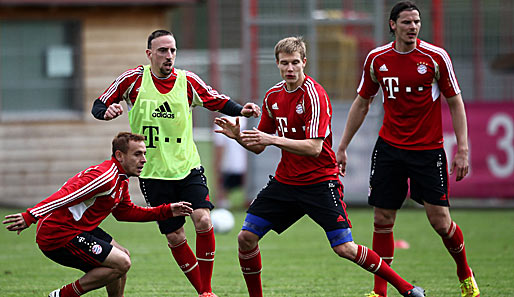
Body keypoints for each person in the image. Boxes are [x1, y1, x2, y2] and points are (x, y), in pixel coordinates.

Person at [214, 36, 425, 297]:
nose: (289, 68)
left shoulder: (315, 95)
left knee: (344, 248)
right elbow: (259, 146)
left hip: (320, 182)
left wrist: (271, 138)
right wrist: (238, 138)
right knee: (246, 238)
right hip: (285, 183)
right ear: (277, 65)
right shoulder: (273, 96)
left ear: (304, 62)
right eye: (284, 63)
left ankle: (406, 288)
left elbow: (314, 148)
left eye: (294, 63)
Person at [91, 29, 261, 297]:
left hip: (187, 168)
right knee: (175, 237)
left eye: (172, 50)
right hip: (153, 173)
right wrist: (106, 112)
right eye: (162, 51)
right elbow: (100, 103)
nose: (168, 56)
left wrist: (241, 109)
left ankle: (206, 292)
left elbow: (215, 99)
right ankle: (203, 291)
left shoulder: (187, 81)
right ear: (149, 54)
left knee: (203, 220)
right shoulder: (133, 80)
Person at [335, 2, 480, 297]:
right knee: (382, 218)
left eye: (416, 22)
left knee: (440, 221)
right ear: (393, 25)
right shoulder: (377, 59)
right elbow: (363, 102)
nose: (413, 27)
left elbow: (455, 101)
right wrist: (343, 146)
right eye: (406, 22)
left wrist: (463, 148)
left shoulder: (436, 58)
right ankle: (379, 291)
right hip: (389, 148)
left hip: (428, 151)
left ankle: (465, 274)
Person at [2, 132, 194, 297]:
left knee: (122, 257)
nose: (143, 159)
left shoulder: (120, 179)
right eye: (137, 154)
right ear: (119, 155)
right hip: (58, 233)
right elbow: (65, 195)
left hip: (79, 229)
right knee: (121, 263)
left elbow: (125, 212)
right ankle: (62, 295)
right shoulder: (105, 177)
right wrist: (30, 216)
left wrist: (166, 210)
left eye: (144, 154)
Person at [213, 115, 248, 209]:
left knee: (223, 198)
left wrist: (217, 165)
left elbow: (219, 148)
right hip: (244, 166)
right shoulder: (248, 120)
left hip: (229, 166)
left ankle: (223, 204)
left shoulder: (221, 122)